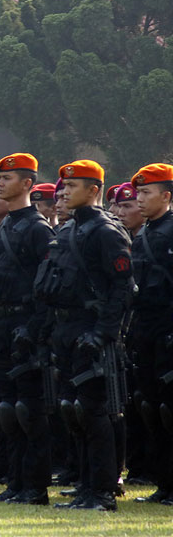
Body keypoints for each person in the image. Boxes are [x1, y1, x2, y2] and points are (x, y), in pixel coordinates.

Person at [35, 160, 133, 512]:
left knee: (92, 411)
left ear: (93, 190)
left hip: (91, 329)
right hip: (66, 328)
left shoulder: (106, 232)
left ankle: (103, 491)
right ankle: (85, 486)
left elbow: (122, 288)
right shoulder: (69, 230)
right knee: (71, 411)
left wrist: (104, 333)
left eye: (72, 186)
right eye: (62, 186)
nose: (63, 191)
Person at [0, 154, 55, 506]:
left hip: (26, 325)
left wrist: (35, 329)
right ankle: (16, 482)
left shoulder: (38, 229)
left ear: (27, 184)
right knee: (6, 407)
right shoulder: (2, 228)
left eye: (7, 179)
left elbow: (48, 286)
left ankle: (35, 486)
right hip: (1, 325)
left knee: (28, 409)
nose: (0, 184)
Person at [127, 164, 173, 505]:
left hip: (169, 332)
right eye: (138, 192)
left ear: (166, 196)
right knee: (151, 408)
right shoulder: (143, 234)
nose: (139, 198)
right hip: (146, 332)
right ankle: (164, 483)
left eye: (146, 192)